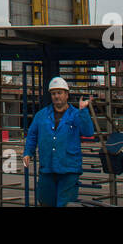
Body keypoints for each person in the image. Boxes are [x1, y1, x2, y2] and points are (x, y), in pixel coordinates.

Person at [23, 76, 95, 207]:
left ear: (67, 94)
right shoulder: (41, 115)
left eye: (60, 93)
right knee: (45, 202)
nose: (57, 96)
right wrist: (28, 152)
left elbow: (88, 132)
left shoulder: (76, 114)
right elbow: (32, 135)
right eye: (53, 93)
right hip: (47, 168)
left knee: (65, 204)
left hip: (69, 169)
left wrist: (83, 111)